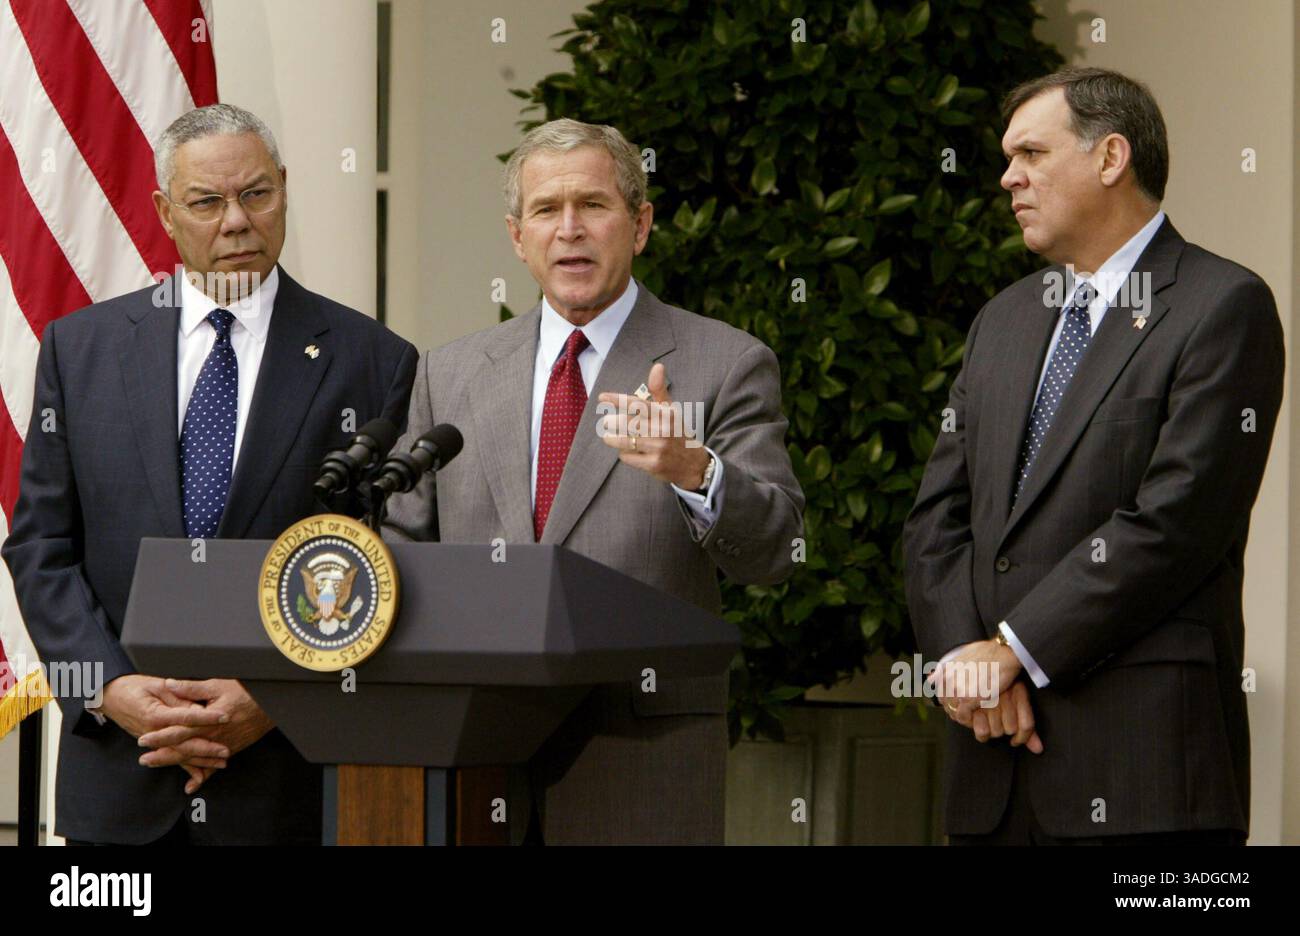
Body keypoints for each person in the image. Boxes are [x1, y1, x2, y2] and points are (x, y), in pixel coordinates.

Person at [3, 103, 418, 844]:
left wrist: (273, 694)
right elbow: (41, 548)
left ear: (285, 189)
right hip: (119, 781)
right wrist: (110, 688)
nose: (236, 222)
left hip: (286, 787)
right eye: (206, 202)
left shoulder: (375, 361)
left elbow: (381, 564)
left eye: (256, 194)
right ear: (165, 212)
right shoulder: (81, 351)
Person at [384, 118, 804, 844]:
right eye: (547, 210)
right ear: (518, 237)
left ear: (639, 225)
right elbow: (402, 545)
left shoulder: (725, 361)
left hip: (641, 750)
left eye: (593, 206)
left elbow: (775, 550)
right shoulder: (447, 372)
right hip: (474, 749)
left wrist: (694, 470)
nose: (569, 229)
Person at [903, 67, 1283, 845]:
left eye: (1032, 154)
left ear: (1111, 158)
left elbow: (1176, 521)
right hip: (992, 768)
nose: (1009, 176)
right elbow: (936, 519)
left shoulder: (1222, 305)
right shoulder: (1001, 321)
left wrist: (1014, 651)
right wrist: (970, 668)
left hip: (1142, 776)